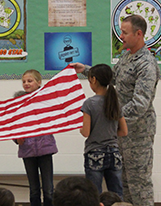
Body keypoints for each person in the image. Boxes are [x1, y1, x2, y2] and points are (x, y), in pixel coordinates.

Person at [70, 14, 160, 206]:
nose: (121, 36)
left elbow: (140, 104)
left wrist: (110, 117)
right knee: (123, 183)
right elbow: (112, 78)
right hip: (120, 131)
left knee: (139, 184)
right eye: (120, 31)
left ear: (139, 34)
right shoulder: (127, 57)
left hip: (138, 133)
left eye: (125, 32)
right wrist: (86, 70)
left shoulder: (146, 64)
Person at [80, 64, 128, 198]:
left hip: (95, 153)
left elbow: (86, 132)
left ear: (94, 80)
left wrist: (80, 129)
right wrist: (110, 132)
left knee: (94, 194)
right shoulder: (115, 102)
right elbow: (124, 131)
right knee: (117, 194)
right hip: (114, 153)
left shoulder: (89, 103)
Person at [13, 69, 58, 206]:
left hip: (45, 148)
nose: (26, 84)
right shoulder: (18, 103)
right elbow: (14, 124)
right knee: (33, 189)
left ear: (39, 82)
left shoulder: (46, 101)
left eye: (30, 81)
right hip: (27, 149)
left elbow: (54, 118)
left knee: (48, 189)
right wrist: (16, 139)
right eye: (24, 81)